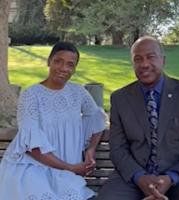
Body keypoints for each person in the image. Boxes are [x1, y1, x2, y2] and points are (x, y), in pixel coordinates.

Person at [97, 36, 179, 200]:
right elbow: (118, 149)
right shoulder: (120, 98)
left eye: (150, 57)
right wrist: (139, 177)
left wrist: (172, 177)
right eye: (138, 59)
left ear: (163, 60)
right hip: (132, 178)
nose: (144, 64)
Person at [0, 42, 106, 200]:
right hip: (32, 169)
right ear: (49, 61)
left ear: (75, 69)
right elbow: (31, 146)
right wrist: (70, 168)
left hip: (67, 174)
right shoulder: (31, 95)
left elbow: (97, 120)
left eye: (70, 64)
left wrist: (90, 150)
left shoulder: (78, 92)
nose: (64, 68)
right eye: (58, 61)